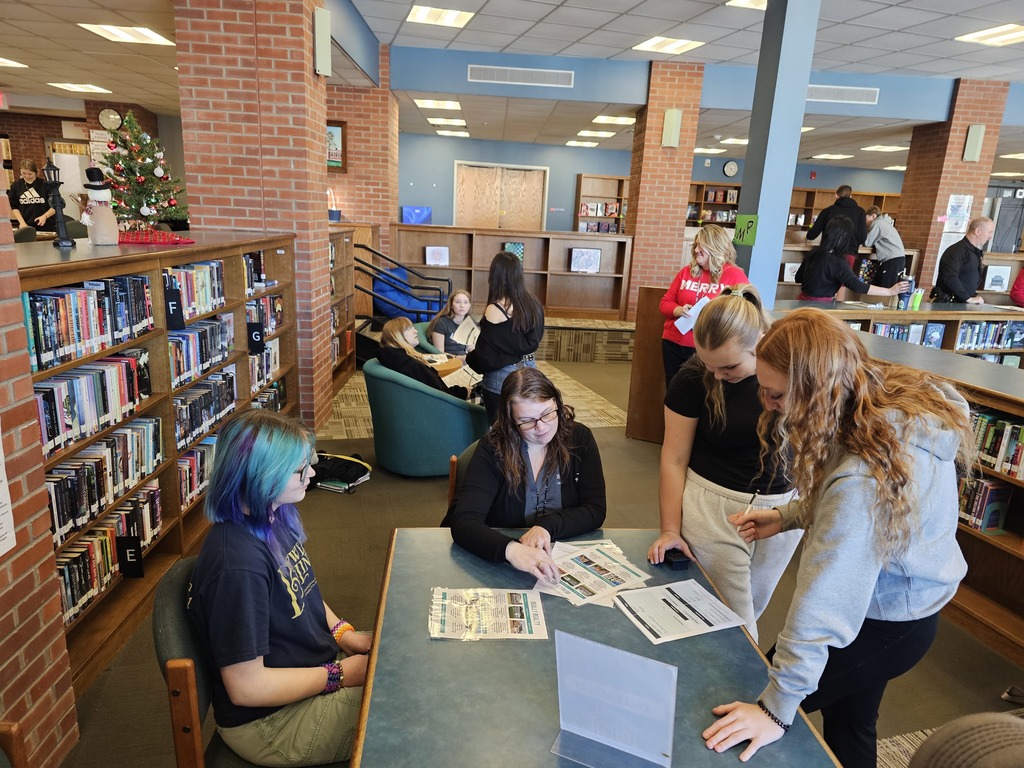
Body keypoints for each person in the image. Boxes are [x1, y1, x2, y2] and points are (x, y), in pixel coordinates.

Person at [702, 308, 976, 768]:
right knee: (851, 725)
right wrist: (789, 515)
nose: (767, 404)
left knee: (746, 718)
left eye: (776, 394)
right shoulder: (876, 404)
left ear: (817, 389)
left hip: (886, 620)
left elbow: (821, 603)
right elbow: (847, 498)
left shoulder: (862, 481)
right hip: (904, 605)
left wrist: (775, 707)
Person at [187, 410, 370, 766]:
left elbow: (303, 590)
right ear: (261, 476)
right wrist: (340, 674)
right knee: (412, 703)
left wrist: (345, 636)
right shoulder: (237, 566)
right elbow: (246, 688)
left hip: (309, 674)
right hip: (271, 723)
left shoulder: (271, 517)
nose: (312, 474)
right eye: (300, 469)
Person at [647, 286, 800, 642]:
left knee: (751, 612)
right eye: (708, 364)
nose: (717, 375)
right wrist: (670, 528)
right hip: (716, 509)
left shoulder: (791, 372)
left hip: (784, 510)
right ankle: (747, 696)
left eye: (729, 366)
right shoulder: (692, 379)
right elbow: (673, 458)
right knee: (737, 627)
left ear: (760, 344)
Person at [443, 367, 606, 582]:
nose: (542, 428)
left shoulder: (579, 438)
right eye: (527, 421)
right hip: (497, 562)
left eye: (547, 413)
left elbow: (595, 509)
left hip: (559, 557)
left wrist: (546, 527)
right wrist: (511, 550)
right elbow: (464, 522)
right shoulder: (493, 448)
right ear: (511, 420)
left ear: (557, 402)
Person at [659, 224, 748, 388]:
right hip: (674, 342)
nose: (696, 250)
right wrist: (678, 310)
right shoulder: (687, 272)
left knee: (704, 394)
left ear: (716, 248)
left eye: (702, 246)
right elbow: (665, 303)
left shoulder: (734, 275)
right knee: (674, 391)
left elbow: (745, 312)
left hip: (707, 347)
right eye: (696, 245)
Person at [466, 251, 544, 422]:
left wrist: (470, 356)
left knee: (500, 434)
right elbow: (533, 340)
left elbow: (485, 356)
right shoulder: (533, 304)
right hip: (530, 369)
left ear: (495, 276)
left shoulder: (495, 309)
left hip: (501, 378)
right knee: (525, 426)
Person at [796, 217, 909, 302]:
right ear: (845, 238)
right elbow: (857, 286)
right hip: (821, 310)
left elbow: (798, 278)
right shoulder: (838, 262)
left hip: (801, 302)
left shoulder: (813, 253)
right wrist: (890, 291)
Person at [377, 316, 468, 399]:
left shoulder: (395, 358)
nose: (416, 331)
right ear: (397, 335)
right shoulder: (410, 364)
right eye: (409, 328)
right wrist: (464, 392)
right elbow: (441, 395)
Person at [932, 216, 995, 304]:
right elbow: (949, 277)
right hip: (949, 304)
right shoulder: (957, 251)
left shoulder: (974, 252)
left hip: (962, 304)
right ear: (977, 231)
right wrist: (967, 298)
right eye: (989, 232)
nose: (990, 236)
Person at [864, 206, 906, 288]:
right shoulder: (885, 223)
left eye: (866, 217)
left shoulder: (877, 224)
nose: (865, 221)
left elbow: (867, 242)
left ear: (873, 216)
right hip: (896, 259)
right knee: (877, 284)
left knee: (885, 288)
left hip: (892, 260)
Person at [427, 289, 477, 359]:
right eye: (457, 302)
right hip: (447, 361)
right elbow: (439, 353)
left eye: (465, 302)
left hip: (465, 361)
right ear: (451, 305)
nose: (462, 305)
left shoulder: (470, 323)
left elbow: (470, 348)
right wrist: (460, 358)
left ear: (469, 306)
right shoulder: (441, 323)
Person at [8, 160, 56, 232]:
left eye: (30, 174)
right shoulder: (16, 186)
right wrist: (22, 222)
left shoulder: (45, 184)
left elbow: (55, 205)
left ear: (36, 172)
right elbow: (14, 207)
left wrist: (45, 216)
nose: (27, 176)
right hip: (26, 224)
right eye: (24, 173)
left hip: (46, 225)